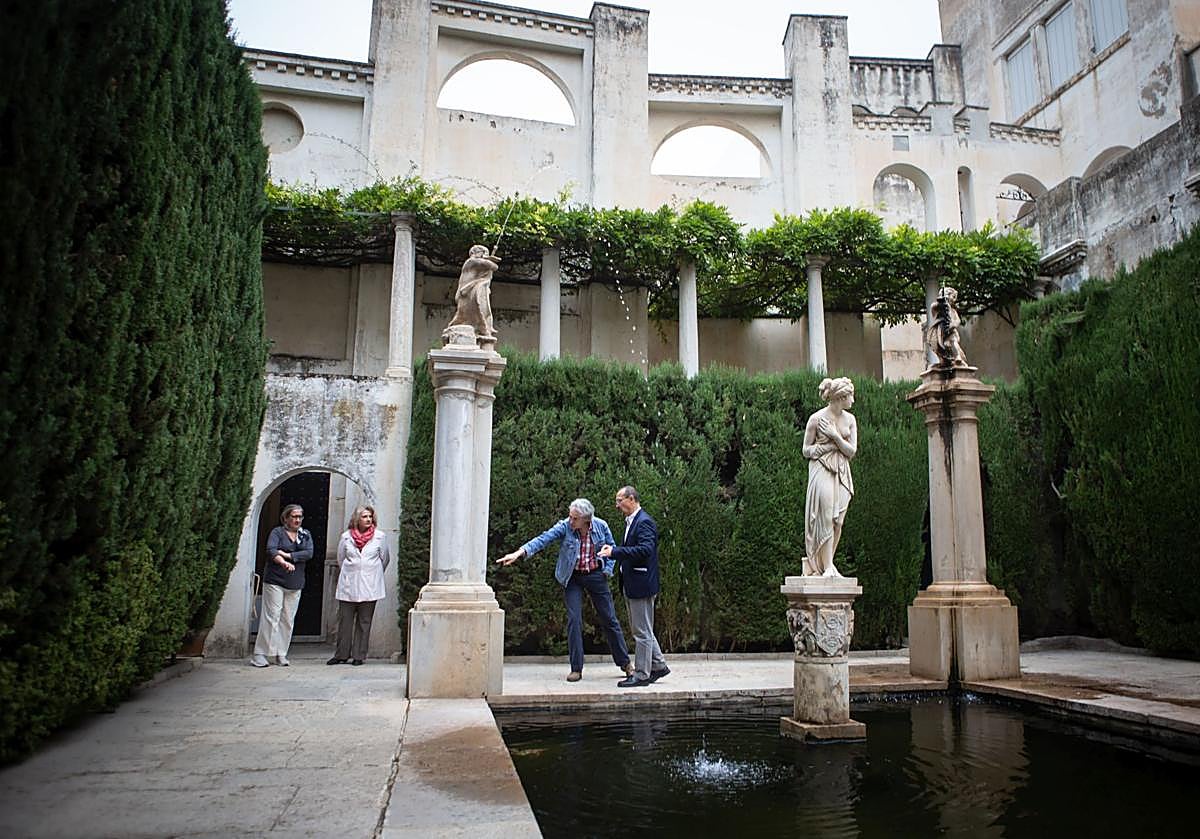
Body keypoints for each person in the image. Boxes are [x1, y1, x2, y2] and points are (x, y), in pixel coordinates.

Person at [497, 498, 635, 682]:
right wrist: (519, 553)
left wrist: (606, 571)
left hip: (595, 574)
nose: (570, 521)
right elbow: (543, 539)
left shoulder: (601, 526)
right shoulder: (565, 527)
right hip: (573, 577)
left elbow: (612, 548)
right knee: (574, 620)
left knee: (609, 618)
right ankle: (576, 668)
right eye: (570, 517)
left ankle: (625, 663)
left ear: (586, 520)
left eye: (574, 518)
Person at [599, 486, 669, 688]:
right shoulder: (632, 521)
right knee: (643, 629)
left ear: (631, 499)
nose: (617, 505)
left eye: (619, 500)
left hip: (642, 584)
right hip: (634, 583)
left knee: (641, 632)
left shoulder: (644, 522)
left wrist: (615, 552)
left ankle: (642, 674)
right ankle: (658, 665)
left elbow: (646, 550)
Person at [801, 377, 858, 577]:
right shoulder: (816, 419)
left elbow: (851, 451)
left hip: (842, 471)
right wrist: (830, 446)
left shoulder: (850, 420)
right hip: (821, 469)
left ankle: (828, 564)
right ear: (840, 397)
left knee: (838, 521)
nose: (853, 400)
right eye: (850, 396)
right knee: (825, 516)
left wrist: (834, 436)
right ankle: (827, 567)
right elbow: (806, 450)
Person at [251, 504, 312, 667]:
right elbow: (271, 550)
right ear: (286, 518)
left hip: (295, 582)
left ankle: (281, 653)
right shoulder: (277, 533)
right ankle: (260, 653)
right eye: (294, 516)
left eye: (300, 517)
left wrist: (288, 554)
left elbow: (309, 553)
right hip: (275, 580)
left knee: (287, 619)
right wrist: (283, 562)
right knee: (272, 616)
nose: (297, 520)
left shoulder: (305, 535)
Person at [328, 505, 390, 666]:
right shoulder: (346, 537)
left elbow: (385, 559)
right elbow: (341, 559)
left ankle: (359, 655)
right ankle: (341, 654)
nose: (368, 519)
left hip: (370, 585)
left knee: (364, 621)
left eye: (370, 516)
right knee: (345, 621)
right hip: (349, 584)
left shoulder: (380, 537)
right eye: (364, 516)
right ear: (357, 519)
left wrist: (372, 573)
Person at [445, 244, 498, 343]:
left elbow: (493, 268)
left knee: (470, 314)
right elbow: (493, 266)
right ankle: (480, 330)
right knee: (464, 315)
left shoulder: (476, 263)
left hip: (467, 293)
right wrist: (489, 259)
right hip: (466, 293)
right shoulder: (471, 261)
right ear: (474, 253)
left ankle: (481, 331)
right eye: (482, 253)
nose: (483, 256)